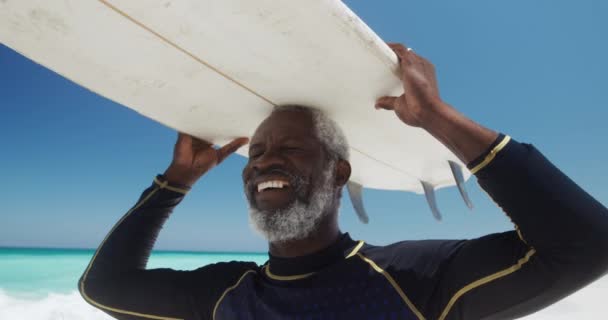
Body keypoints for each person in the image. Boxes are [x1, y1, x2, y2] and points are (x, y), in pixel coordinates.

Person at [78, 43, 608, 320]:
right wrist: (171, 185)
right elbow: (101, 288)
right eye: (256, 152)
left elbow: (588, 245)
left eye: (289, 149)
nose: (263, 162)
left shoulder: (416, 279)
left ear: (340, 172)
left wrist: (437, 119)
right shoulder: (222, 295)